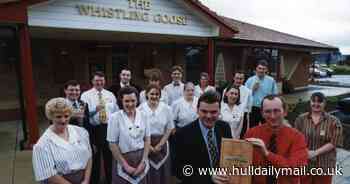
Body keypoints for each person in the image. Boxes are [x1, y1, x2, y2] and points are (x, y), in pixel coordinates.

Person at [244, 95, 308, 184]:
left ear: (285, 112)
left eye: (276, 111)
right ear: (262, 113)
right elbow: (243, 165)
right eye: (268, 111)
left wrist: (267, 154)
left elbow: (296, 170)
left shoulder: (297, 137)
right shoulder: (251, 134)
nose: (273, 116)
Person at [174, 91, 232, 184]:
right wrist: (208, 177)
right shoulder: (182, 134)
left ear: (219, 111)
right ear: (197, 110)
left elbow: (230, 155)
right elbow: (179, 170)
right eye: (204, 111)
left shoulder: (225, 127)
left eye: (213, 112)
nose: (208, 116)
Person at [32, 98, 92, 184]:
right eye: (58, 116)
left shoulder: (81, 132)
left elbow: (89, 157)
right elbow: (49, 174)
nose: (63, 120)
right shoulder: (42, 145)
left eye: (66, 116)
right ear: (51, 117)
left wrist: (86, 180)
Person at [295, 92, 343, 184]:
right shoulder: (301, 119)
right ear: (310, 102)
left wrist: (315, 153)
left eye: (319, 102)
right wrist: (304, 151)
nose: (316, 104)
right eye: (313, 101)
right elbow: (295, 139)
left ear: (324, 103)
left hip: (324, 164)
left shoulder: (334, 121)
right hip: (305, 163)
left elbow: (334, 142)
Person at [81, 71, 118, 184]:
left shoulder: (110, 95)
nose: (99, 82)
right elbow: (84, 115)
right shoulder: (85, 95)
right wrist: (94, 110)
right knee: (95, 157)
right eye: (97, 80)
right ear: (92, 81)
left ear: (104, 81)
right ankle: (95, 180)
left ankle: (110, 180)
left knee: (109, 156)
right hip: (94, 129)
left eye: (101, 80)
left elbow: (115, 112)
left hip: (108, 128)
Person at [107, 86, 150, 184]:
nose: (130, 104)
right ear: (121, 101)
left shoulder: (144, 115)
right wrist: (125, 165)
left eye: (133, 100)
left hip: (140, 159)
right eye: (126, 101)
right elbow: (112, 144)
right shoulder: (115, 118)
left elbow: (147, 140)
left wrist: (143, 162)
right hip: (123, 159)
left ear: (137, 100)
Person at [138, 84, 174, 184]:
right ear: (147, 95)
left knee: (163, 173)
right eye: (152, 94)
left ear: (160, 95)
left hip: (162, 145)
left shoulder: (167, 109)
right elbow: (139, 130)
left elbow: (169, 128)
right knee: (148, 173)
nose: (154, 96)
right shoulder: (140, 109)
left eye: (157, 94)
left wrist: (160, 145)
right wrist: (148, 146)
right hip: (146, 145)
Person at [245, 60, 278, 127]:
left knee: (267, 127)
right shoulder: (250, 80)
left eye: (263, 69)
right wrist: (252, 89)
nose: (261, 70)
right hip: (253, 108)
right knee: (253, 128)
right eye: (260, 68)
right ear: (256, 69)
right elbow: (245, 96)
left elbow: (275, 95)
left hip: (266, 108)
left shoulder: (271, 81)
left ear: (266, 70)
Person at [221, 71, 253, 137]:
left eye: (241, 79)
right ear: (234, 78)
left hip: (241, 117)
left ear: (244, 79)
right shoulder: (226, 90)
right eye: (237, 78)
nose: (238, 80)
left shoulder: (248, 91)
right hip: (226, 113)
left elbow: (249, 108)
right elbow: (223, 102)